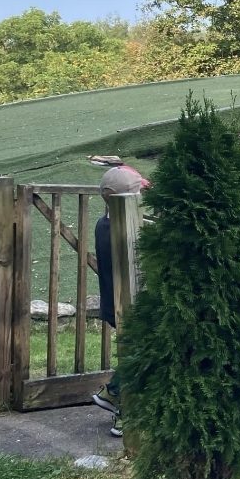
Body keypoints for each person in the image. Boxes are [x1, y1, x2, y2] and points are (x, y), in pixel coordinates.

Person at [91, 165, 149, 437]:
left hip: (113, 304)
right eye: (139, 192)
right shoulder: (126, 229)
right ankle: (123, 410)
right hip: (130, 306)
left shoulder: (102, 224)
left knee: (139, 354)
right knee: (143, 358)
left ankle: (113, 394)